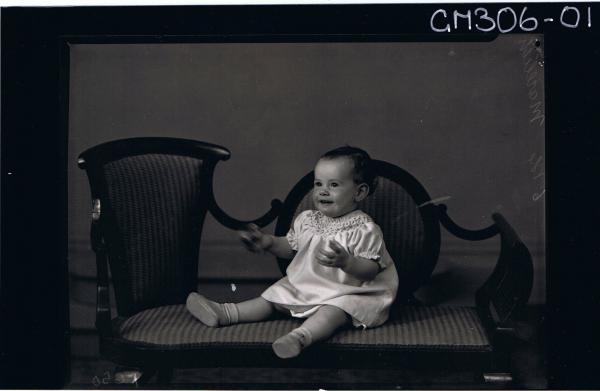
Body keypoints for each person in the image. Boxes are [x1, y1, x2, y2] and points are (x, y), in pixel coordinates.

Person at [186, 146, 399, 358]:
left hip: (347, 291)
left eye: (334, 185)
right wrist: (267, 242)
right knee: (272, 297)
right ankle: (226, 313)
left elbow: (371, 269)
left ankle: (300, 337)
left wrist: (347, 262)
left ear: (359, 192)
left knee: (333, 311)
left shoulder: (364, 229)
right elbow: (290, 248)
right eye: (318, 184)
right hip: (308, 286)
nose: (323, 191)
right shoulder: (307, 219)